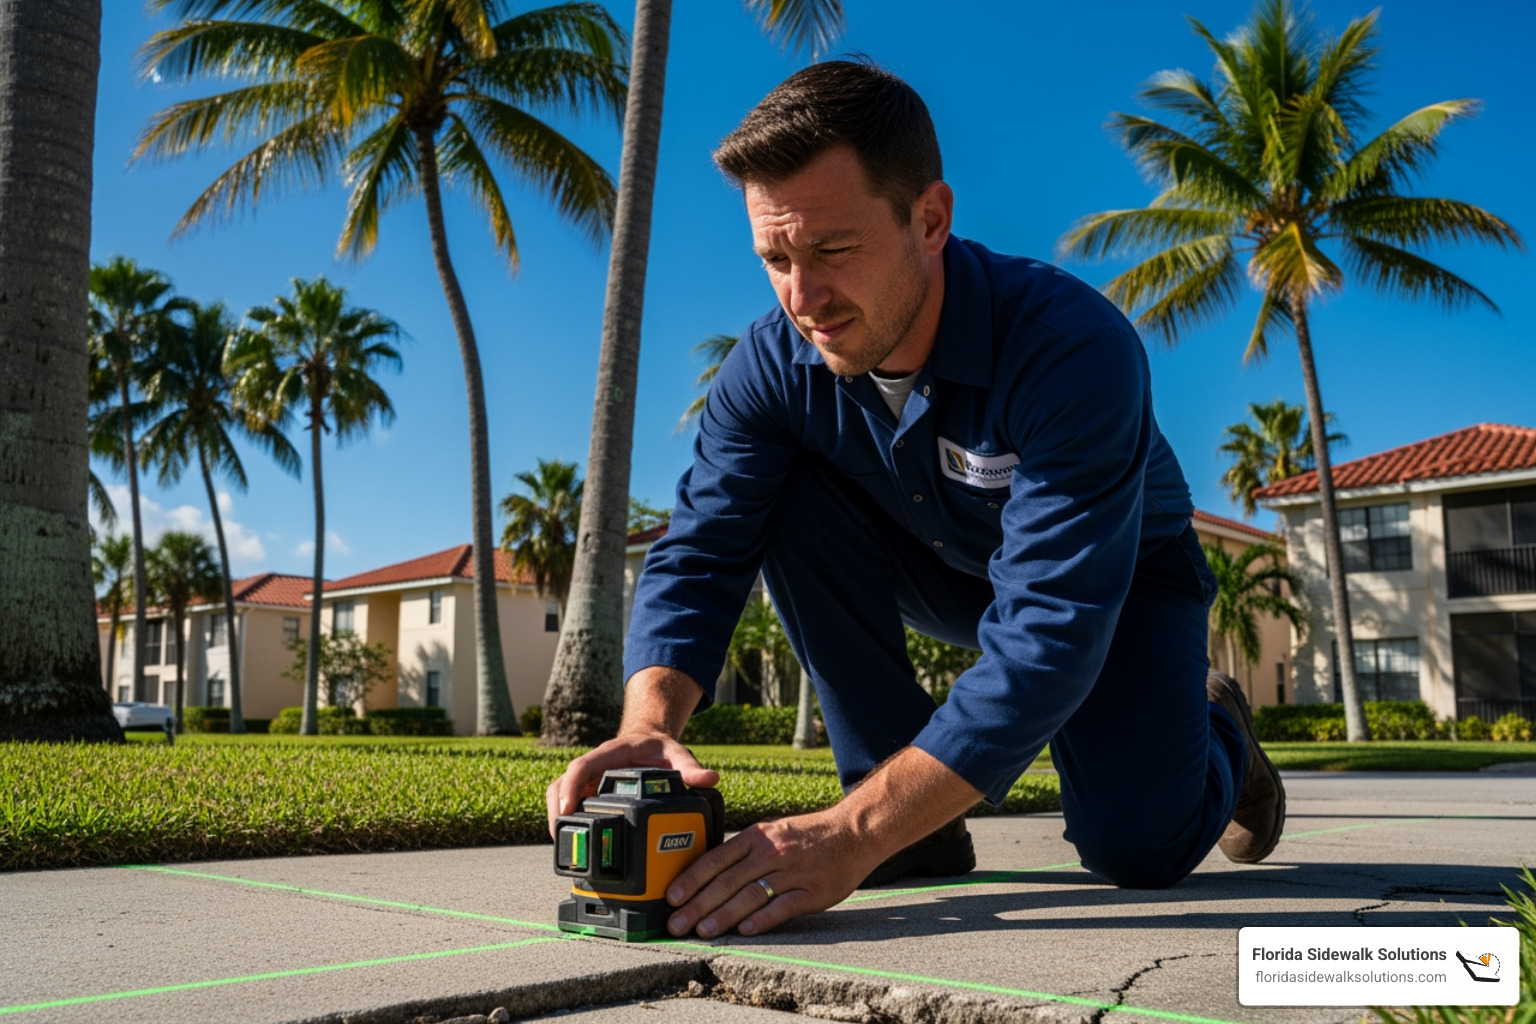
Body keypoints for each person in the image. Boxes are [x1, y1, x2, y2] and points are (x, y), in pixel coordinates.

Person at [547, 59, 1284, 941]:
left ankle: (1220, 733)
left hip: (1117, 584)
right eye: (775, 258)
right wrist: (647, 724)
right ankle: (897, 815)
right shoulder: (767, 368)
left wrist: (844, 838)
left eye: (832, 250)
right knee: (778, 499)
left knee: (1138, 849)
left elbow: (1051, 627)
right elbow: (702, 551)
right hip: (931, 564)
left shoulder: (1072, 349)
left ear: (929, 220)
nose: (802, 297)